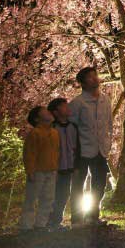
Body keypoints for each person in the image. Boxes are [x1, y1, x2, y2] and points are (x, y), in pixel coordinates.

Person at [69, 67, 112, 226]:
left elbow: (109, 123)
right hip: (82, 150)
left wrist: (108, 143)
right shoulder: (77, 103)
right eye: (89, 77)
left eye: (95, 75)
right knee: (78, 184)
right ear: (83, 83)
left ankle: (93, 216)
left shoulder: (105, 100)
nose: (94, 79)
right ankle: (77, 219)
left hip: (101, 149)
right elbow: (71, 128)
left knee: (100, 183)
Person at [19, 106, 59, 232]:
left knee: (48, 198)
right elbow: (29, 153)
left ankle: (41, 224)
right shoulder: (35, 133)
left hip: (51, 170)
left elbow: (56, 152)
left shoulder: (54, 133)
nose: (49, 112)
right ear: (37, 119)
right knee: (32, 198)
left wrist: (55, 169)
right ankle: (26, 225)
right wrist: (30, 171)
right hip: (38, 171)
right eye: (45, 112)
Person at [47, 98, 78, 230]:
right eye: (64, 106)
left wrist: (77, 165)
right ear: (56, 111)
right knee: (54, 194)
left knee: (65, 193)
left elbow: (78, 147)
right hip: (56, 168)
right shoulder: (52, 128)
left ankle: (58, 221)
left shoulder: (73, 126)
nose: (67, 107)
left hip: (70, 166)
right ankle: (51, 221)